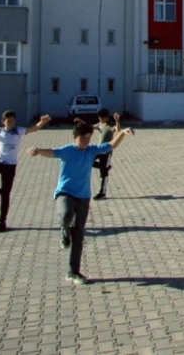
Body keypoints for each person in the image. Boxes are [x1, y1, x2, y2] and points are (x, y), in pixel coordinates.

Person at [27, 121, 133, 284]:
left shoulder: (91, 150)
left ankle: (73, 272)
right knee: (66, 215)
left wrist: (122, 133)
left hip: (83, 196)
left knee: (79, 235)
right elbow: (52, 152)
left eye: (88, 138)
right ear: (75, 137)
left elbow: (111, 145)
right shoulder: (68, 150)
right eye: (83, 139)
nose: (86, 142)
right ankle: (64, 233)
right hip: (65, 192)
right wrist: (38, 150)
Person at [74, 109, 123, 200]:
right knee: (89, 160)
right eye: (99, 117)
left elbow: (119, 129)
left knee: (104, 173)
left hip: (107, 151)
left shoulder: (111, 125)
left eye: (101, 118)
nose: (100, 119)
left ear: (106, 117)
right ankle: (106, 167)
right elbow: (90, 126)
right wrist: (81, 121)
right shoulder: (100, 125)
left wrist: (117, 120)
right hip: (98, 150)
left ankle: (102, 192)